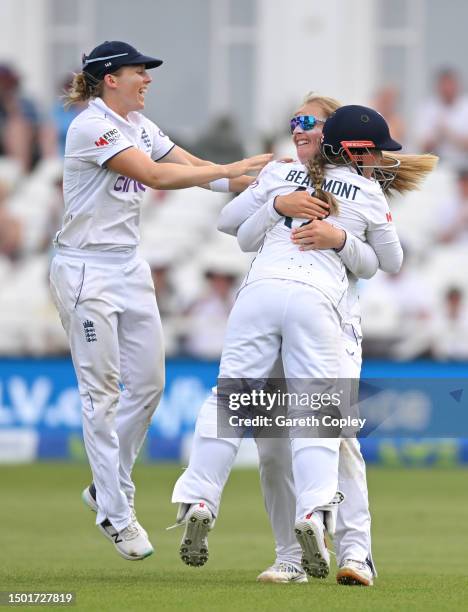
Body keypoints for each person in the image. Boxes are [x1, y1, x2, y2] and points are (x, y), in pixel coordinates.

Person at [48, 40, 271, 562]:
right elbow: (155, 175)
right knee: (101, 393)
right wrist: (232, 167)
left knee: (148, 385)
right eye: (137, 72)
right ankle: (115, 511)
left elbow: (191, 165)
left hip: (127, 264)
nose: (147, 79)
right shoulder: (91, 125)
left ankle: (104, 487)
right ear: (110, 79)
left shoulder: (139, 126)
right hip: (85, 269)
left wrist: (257, 179)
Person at [171, 102, 409, 583]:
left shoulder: (284, 176)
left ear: (327, 137)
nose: (299, 131)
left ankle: (200, 496)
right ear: (358, 150)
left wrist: (303, 220)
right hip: (315, 303)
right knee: (316, 413)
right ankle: (311, 517)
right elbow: (391, 261)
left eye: (310, 124)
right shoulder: (355, 187)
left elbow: (236, 231)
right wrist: (306, 222)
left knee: (231, 400)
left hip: (260, 296)